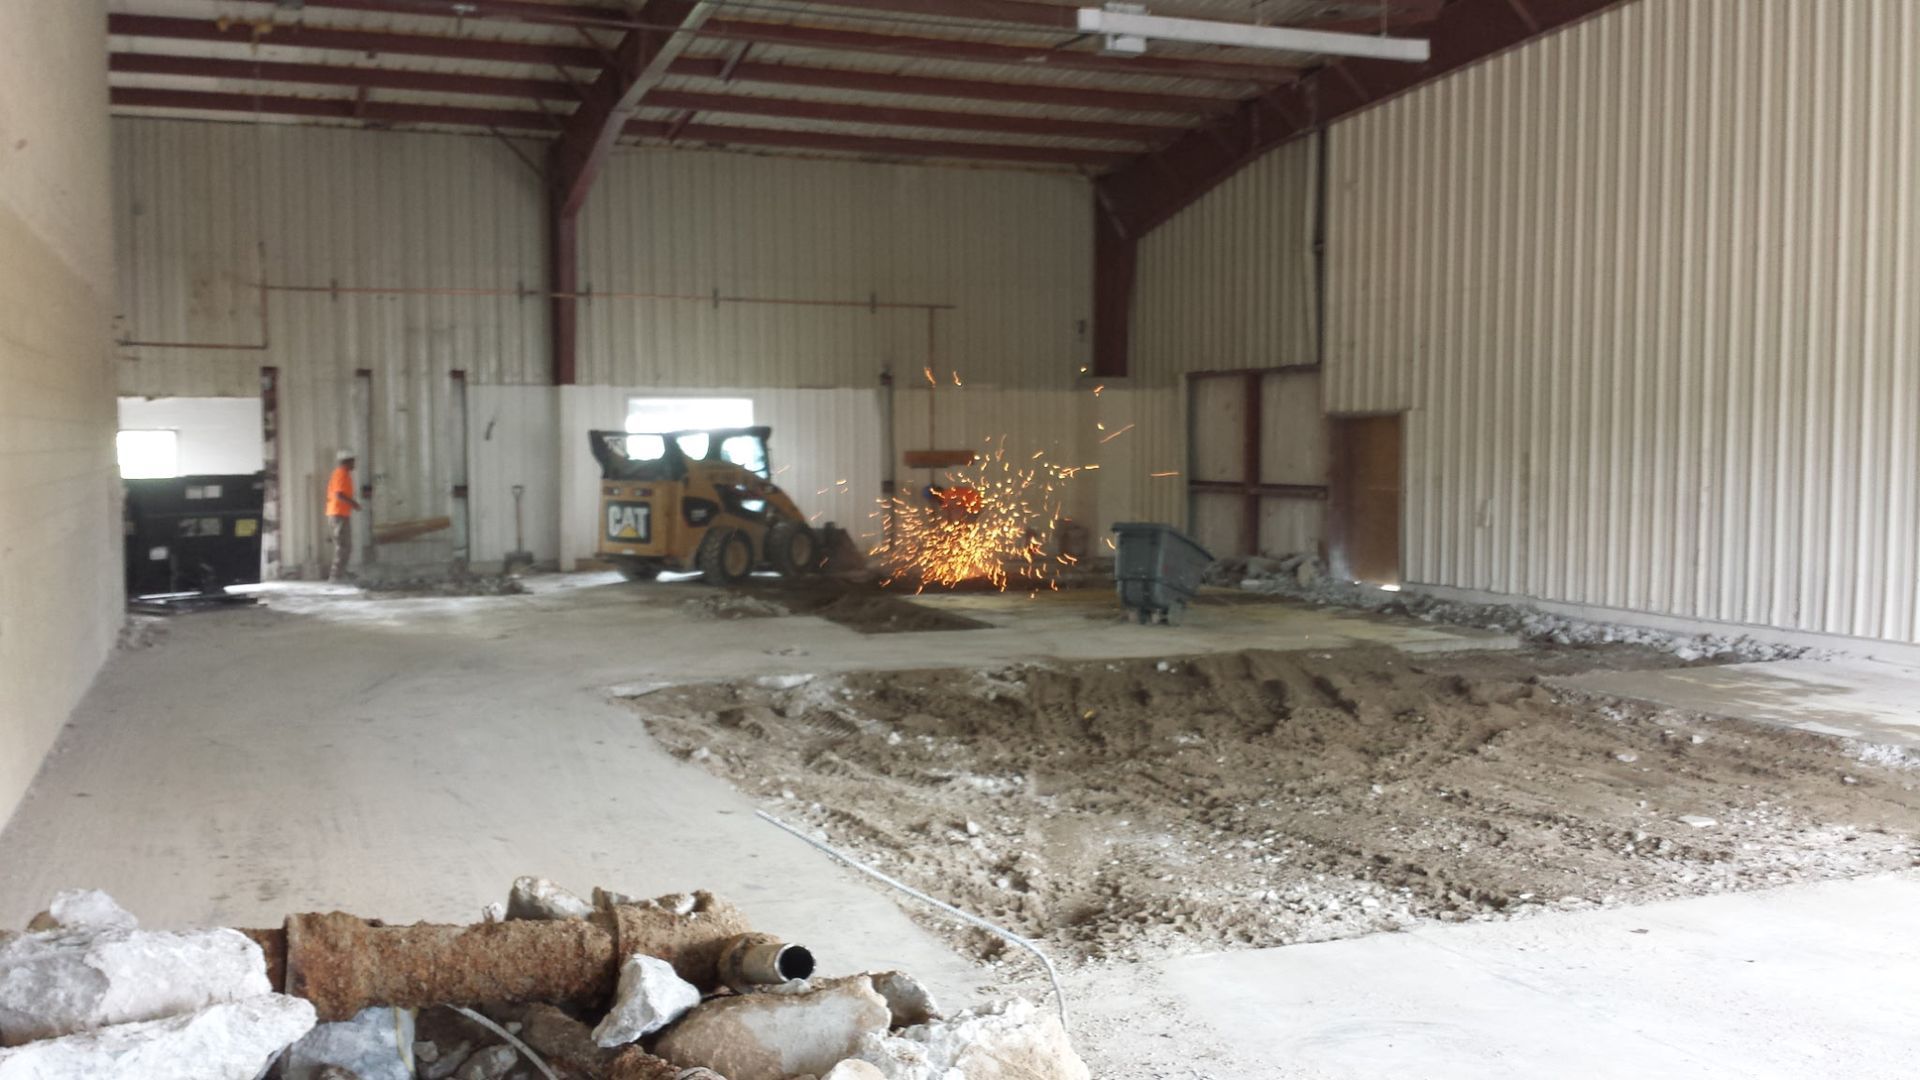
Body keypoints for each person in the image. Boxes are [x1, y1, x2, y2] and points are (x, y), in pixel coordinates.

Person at [327, 450, 362, 582]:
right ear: (346, 462)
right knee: (343, 546)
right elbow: (339, 495)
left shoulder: (344, 474)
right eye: (352, 461)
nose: (354, 463)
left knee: (345, 545)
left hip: (340, 514)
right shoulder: (341, 474)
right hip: (338, 514)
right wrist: (354, 504)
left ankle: (341, 573)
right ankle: (336, 576)